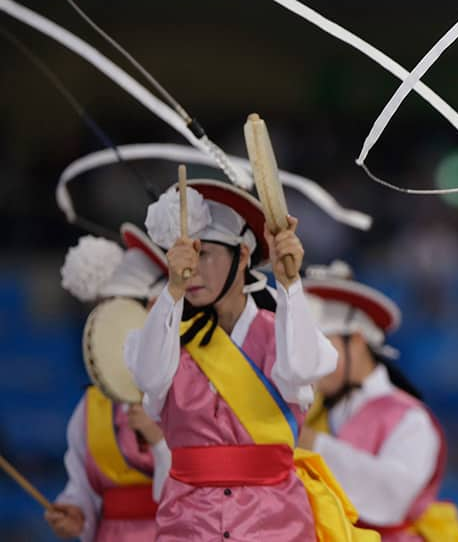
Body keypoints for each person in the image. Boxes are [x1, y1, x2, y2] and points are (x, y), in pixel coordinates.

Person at [125, 179, 376, 541]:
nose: (191, 269)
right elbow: (148, 379)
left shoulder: (283, 332)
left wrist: (290, 285)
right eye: (184, 256)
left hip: (275, 524)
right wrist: (172, 293)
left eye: (205, 253)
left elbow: (303, 369)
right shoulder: (164, 337)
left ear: (242, 256)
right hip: (189, 525)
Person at [298, 262, 458, 542]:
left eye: (321, 347)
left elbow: (394, 496)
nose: (312, 363)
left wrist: (314, 445)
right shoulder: (312, 410)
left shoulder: (409, 418)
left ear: (356, 340)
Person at [46, 225, 171, 541]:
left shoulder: (193, 392)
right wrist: (75, 511)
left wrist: (159, 442)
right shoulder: (93, 405)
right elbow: (82, 484)